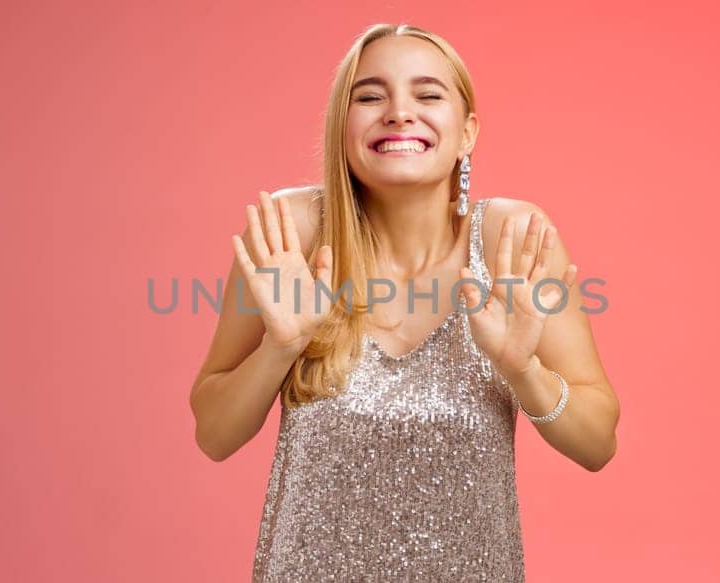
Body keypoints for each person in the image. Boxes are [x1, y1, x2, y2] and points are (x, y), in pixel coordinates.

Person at [188, 23, 620, 582]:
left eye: (428, 94)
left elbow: (598, 444)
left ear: (466, 133)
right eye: (369, 96)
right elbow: (214, 436)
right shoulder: (292, 234)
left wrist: (523, 371)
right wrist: (281, 347)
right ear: (342, 128)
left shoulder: (513, 239)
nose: (398, 113)